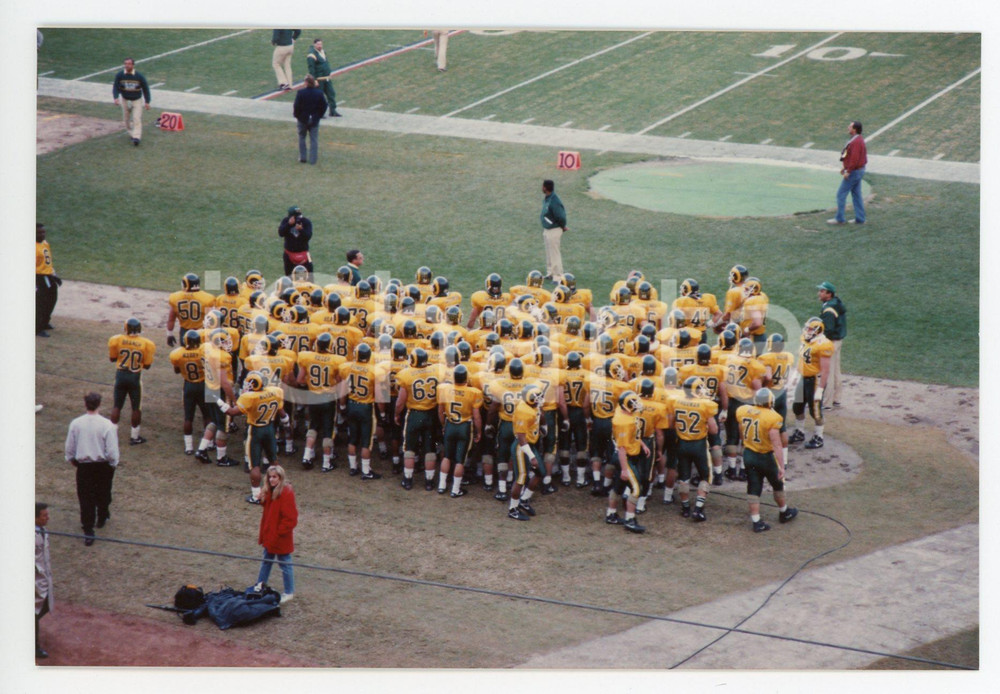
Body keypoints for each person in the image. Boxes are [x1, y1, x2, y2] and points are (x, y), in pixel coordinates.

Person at [736, 389, 798, 532]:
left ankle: (756, 521)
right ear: (770, 402)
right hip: (765, 457)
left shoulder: (743, 410)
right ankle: (784, 511)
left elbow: (741, 433)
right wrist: (782, 466)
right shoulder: (772, 417)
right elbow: (777, 444)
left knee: (753, 486)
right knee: (777, 484)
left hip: (749, 454)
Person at [65, 392, 120, 546]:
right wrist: (113, 464)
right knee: (103, 492)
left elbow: (70, 447)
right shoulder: (107, 425)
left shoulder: (76, 423)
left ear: (85, 404)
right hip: (102, 465)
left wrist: (72, 459)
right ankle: (102, 516)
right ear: (99, 404)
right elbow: (112, 450)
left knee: (85, 498)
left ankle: (88, 529)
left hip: (85, 466)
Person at [108, 318, 156, 444]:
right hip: (134, 377)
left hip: (120, 375)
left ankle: (111, 435)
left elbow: (112, 358)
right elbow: (147, 366)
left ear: (126, 328)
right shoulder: (146, 343)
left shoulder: (117, 339)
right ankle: (135, 437)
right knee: (136, 408)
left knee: (117, 406)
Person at [789, 317, 834, 450]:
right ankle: (799, 432)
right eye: (807, 328)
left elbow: (825, 370)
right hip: (803, 378)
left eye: (810, 329)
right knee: (797, 407)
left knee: (815, 412)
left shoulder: (824, 345)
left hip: (815, 380)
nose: (807, 331)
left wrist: (820, 389)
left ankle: (819, 437)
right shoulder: (805, 339)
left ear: (818, 330)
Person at [256, 465, 298, 604]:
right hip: (270, 534)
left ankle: (289, 591)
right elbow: (268, 507)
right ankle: (260, 585)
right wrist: (262, 498)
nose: (271, 479)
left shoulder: (286, 492)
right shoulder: (271, 490)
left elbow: (291, 518)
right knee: (266, 560)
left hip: (280, 537)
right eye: (270, 477)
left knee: (285, 564)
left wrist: (279, 532)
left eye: (274, 477)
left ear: (280, 477)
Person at [828, 120, 867, 225]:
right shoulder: (857, 139)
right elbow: (849, 156)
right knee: (857, 195)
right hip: (858, 170)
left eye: (850, 127)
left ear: (855, 129)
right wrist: (844, 167)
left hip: (854, 172)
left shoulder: (856, 142)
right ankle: (860, 219)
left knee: (841, 194)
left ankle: (839, 218)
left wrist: (848, 171)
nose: (848, 128)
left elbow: (854, 159)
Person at [817, 281, 847, 408]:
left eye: (822, 291)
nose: (819, 293)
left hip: (831, 343)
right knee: (836, 371)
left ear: (829, 294)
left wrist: (820, 341)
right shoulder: (836, 302)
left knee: (827, 372)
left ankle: (827, 402)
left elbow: (828, 330)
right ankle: (836, 399)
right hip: (838, 340)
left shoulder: (829, 309)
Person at [112, 57, 151, 146]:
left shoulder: (139, 76)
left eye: (129, 64)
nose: (127, 65)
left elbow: (145, 89)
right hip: (125, 99)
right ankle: (131, 133)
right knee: (126, 119)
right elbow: (116, 87)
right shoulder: (120, 75)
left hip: (136, 100)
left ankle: (136, 137)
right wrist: (116, 97)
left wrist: (147, 101)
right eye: (125, 64)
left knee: (136, 118)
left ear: (133, 65)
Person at [294, 75, 327, 165]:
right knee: (314, 140)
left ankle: (303, 157)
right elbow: (324, 105)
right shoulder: (319, 93)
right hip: (314, 119)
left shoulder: (301, 92)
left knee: (302, 137)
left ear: (306, 83)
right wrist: (319, 116)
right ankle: (313, 160)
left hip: (303, 119)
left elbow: (296, 106)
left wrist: (297, 116)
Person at [540, 179, 568, 282]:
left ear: (545, 188)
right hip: (548, 229)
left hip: (554, 230)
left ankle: (558, 276)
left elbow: (561, 217)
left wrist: (563, 226)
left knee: (554, 253)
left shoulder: (554, 201)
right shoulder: (548, 198)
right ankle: (550, 273)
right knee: (549, 253)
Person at [36, 222, 61, 337]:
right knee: (41, 302)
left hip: (48, 275)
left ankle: (45, 322)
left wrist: (53, 274)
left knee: (52, 299)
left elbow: (48, 261)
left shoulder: (45, 243)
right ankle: (37, 327)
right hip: (39, 277)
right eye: (39, 233)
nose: (42, 234)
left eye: (43, 232)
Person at [35, 502, 53, 658]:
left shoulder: (42, 530)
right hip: (34, 580)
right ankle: (33, 646)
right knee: (33, 613)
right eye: (44, 515)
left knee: (45, 605)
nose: (48, 518)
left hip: (43, 578)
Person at [306, 38, 341, 117]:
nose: (320, 46)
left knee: (331, 93)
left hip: (327, 78)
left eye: (321, 44)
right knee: (319, 96)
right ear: (314, 44)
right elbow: (311, 69)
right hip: (319, 79)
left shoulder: (323, 52)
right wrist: (314, 80)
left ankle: (333, 111)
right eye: (318, 44)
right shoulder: (311, 55)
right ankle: (318, 113)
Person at [279, 207, 314, 277]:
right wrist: (289, 224)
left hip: (304, 253)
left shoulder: (306, 222)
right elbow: (281, 233)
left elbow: (308, 236)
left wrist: (301, 230)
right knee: (289, 276)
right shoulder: (286, 221)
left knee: (310, 274)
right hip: (289, 254)